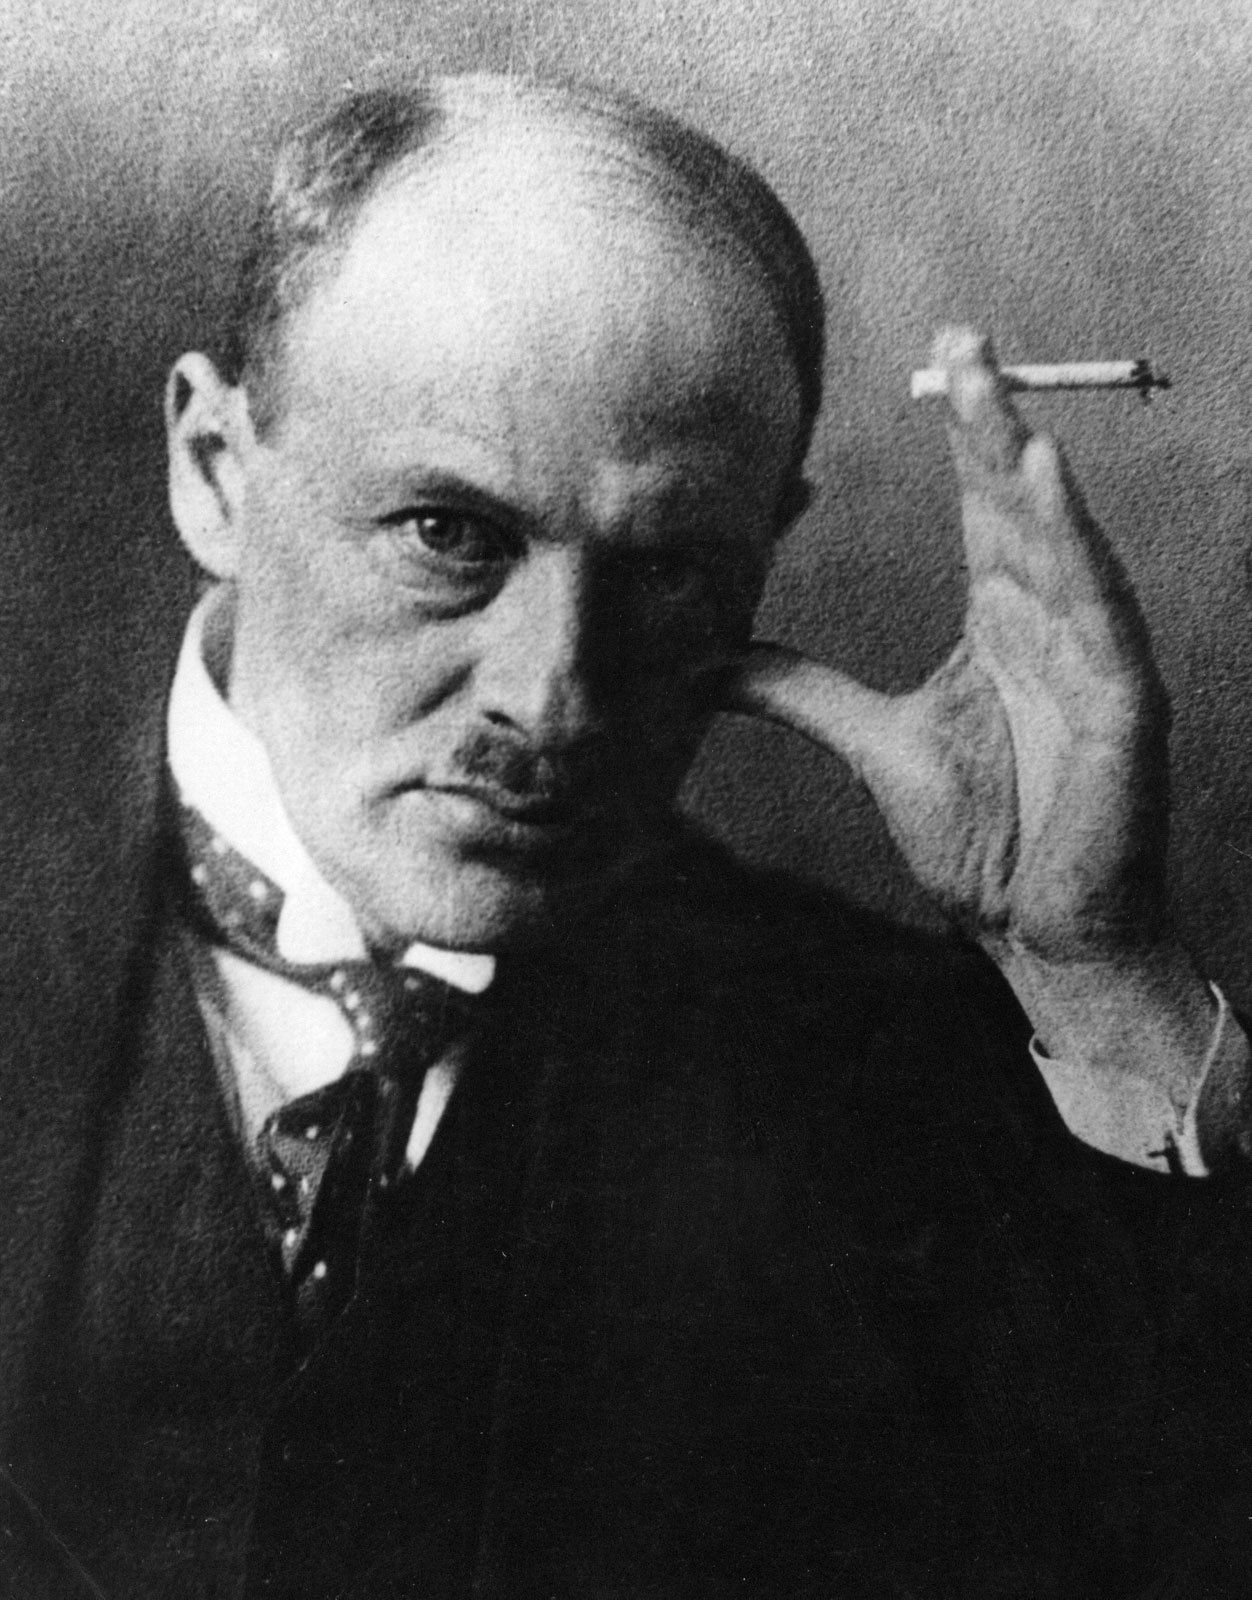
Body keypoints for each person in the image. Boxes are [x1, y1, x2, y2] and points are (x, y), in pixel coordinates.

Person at [0, 73, 1249, 1600]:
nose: (554, 699)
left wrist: (1099, 973)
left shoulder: (869, 1060)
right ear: (215, 469)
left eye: (667, 575)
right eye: (450, 536)